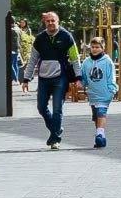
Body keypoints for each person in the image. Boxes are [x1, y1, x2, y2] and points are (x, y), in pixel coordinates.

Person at [22, 12, 82, 150]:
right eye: (47, 21)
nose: (50, 23)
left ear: (58, 21)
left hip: (60, 77)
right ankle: (56, 130)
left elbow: (75, 58)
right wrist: (26, 78)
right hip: (43, 78)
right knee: (41, 107)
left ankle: (55, 139)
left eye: (53, 20)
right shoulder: (40, 38)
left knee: (57, 109)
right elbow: (32, 60)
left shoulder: (66, 36)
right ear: (45, 22)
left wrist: (79, 77)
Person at [81, 37, 118, 149]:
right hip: (93, 93)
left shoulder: (107, 61)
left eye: (97, 47)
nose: (95, 49)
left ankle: (100, 135)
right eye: (93, 47)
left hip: (105, 93)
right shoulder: (86, 62)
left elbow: (111, 76)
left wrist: (112, 89)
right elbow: (84, 77)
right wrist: (82, 84)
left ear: (102, 48)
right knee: (96, 115)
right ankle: (100, 136)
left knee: (101, 112)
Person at [18, 19, 34, 95]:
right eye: (21, 22)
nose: (22, 23)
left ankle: (26, 81)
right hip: (20, 50)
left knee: (26, 66)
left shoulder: (28, 30)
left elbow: (30, 39)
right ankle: (23, 81)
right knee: (21, 67)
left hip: (27, 50)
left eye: (23, 22)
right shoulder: (18, 29)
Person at [9, 18, 21, 84]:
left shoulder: (11, 30)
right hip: (17, 49)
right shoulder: (18, 29)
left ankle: (15, 78)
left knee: (10, 65)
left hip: (11, 49)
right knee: (15, 64)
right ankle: (16, 78)